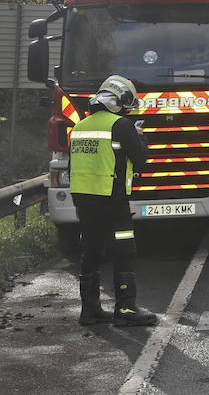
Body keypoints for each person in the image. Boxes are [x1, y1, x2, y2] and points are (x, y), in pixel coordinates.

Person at [69, 75, 157, 327]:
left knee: (91, 252)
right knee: (124, 251)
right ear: (119, 101)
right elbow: (140, 158)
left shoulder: (80, 126)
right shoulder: (121, 125)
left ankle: (90, 310)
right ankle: (126, 309)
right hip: (112, 199)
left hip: (84, 200)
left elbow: (74, 165)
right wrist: (140, 136)